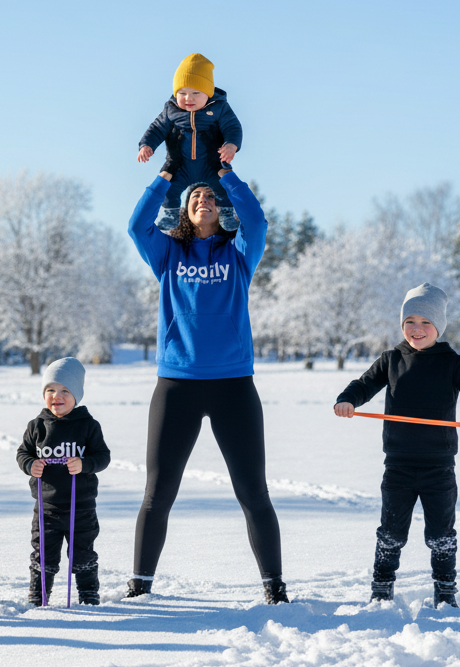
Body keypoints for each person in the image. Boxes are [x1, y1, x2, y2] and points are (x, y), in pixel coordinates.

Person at [127, 157, 288, 604]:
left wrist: (225, 177)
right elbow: (136, 226)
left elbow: (256, 220)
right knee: (158, 492)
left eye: (210, 198)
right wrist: (164, 178)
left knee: (253, 490)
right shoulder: (168, 253)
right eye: (195, 197)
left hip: (233, 384)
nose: (204, 200)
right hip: (176, 384)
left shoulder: (239, 254)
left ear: (220, 210)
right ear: (184, 210)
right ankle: (140, 586)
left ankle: (275, 586)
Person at [334, 283, 460, 607]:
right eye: (410, 321)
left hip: (438, 467)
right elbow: (364, 384)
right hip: (398, 465)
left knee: (441, 534)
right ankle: (382, 586)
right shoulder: (391, 359)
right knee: (391, 532)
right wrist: (348, 399)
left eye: (426, 322)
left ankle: (445, 588)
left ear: (438, 326)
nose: (417, 329)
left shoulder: (451, 362)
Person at [16, 358, 111, 605]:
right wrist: (30, 465)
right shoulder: (37, 426)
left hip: (82, 506)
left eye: (65, 391)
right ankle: (39, 594)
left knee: (83, 552)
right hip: (47, 507)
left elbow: (103, 456)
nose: (56, 396)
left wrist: (84, 464)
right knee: (43, 553)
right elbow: (23, 453)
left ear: (76, 395)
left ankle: (88, 593)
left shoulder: (88, 426)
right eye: (50, 390)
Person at [138, 53, 242, 233]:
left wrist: (231, 145)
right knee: (169, 186)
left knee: (223, 186)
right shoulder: (170, 109)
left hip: (211, 162)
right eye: (182, 93)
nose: (188, 99)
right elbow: (156, 128)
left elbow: (232, 126)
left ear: (207, 93)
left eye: (195, 93)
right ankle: (171, 213)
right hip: (181, 164)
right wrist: (146, 145)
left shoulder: (219, 108)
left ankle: (226, 211)